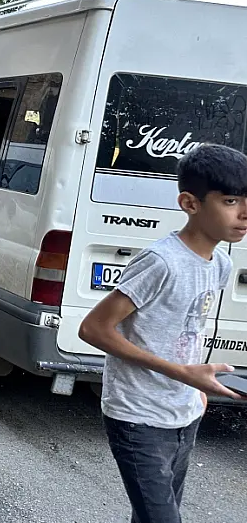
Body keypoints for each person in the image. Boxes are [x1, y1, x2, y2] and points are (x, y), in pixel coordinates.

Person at [78, 143, 247, 523]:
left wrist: (196, 386)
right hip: (138, 416)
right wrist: (180, 373)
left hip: (185, 411)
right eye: (232, 200)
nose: (245, 214)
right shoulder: (161, 261)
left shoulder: (219, 262)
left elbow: (188, 329)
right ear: (190, 203)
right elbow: (93, 328)